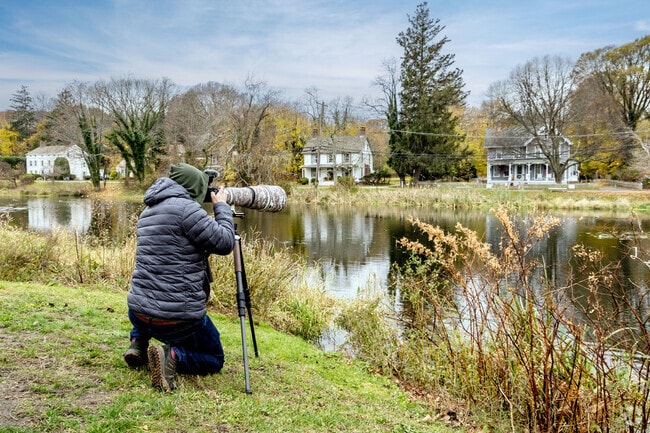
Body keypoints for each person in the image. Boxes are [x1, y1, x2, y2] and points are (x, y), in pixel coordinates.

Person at [123, 163, 235, 392]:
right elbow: (224, 242)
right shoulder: (187, 210)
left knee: (152, 288)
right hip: (176, 320)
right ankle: (172, 355)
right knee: (214, 357)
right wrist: (222, 208)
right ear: (194, 188)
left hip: (138, 313)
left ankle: (137, 344)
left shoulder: (147, 211)